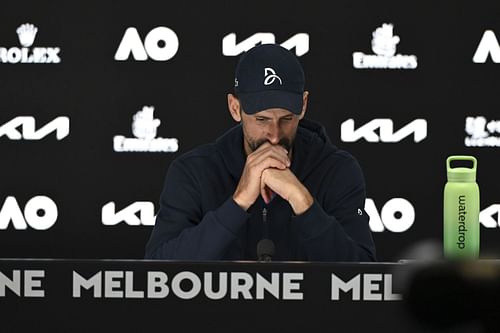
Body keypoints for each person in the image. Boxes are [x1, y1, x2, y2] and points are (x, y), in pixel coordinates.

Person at [145, 43, 376, 261]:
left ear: (303, 105)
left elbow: (363, 276)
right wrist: (238, 203)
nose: (274, 135)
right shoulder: (194, 171)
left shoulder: (337, 170)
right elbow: (158, 270)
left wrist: (303, 201)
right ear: (235, 108)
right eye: (261, 119)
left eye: (286, 119)